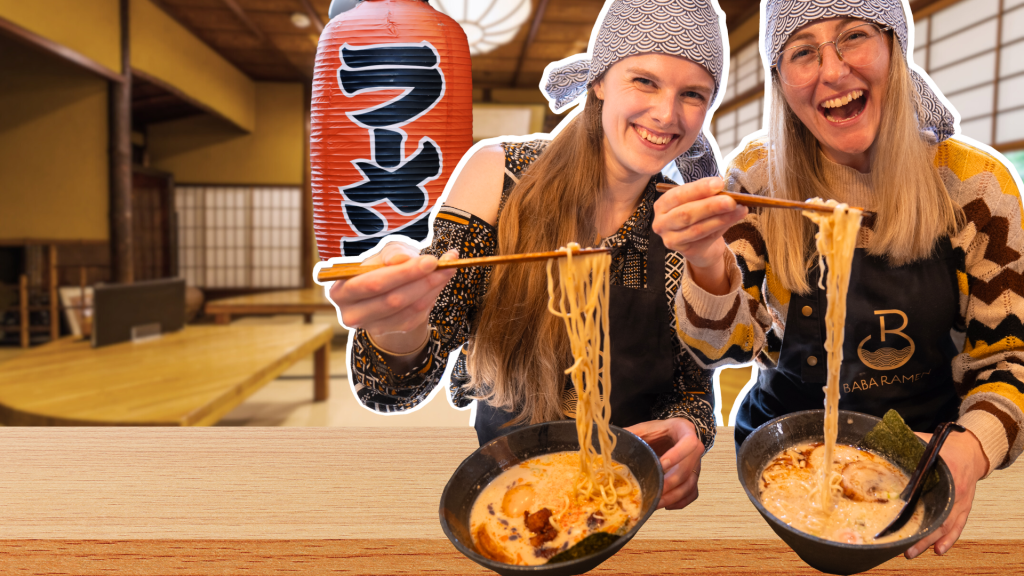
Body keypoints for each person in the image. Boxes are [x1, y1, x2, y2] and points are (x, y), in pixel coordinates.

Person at [656, 0, 1024, 557]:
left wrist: (971, 450)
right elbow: (721, 349)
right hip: (777, 451)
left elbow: (1011, 358)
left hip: (922, 454)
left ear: (894, 48)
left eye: (853, 35)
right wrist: (705, 261)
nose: (832, 71)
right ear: (781, 81)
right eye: (803, 51)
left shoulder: (975, 187)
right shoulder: (758, 176)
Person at [328, 0, 729, 511]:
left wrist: (690, 431)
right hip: (509, 491)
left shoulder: (679, 221)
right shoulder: (499, 176)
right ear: (600, 79)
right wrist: (396, 327)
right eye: (645, 81)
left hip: (625, 495)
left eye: (692, 94)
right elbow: (395, 388)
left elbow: (691, 386)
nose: (666, 114)